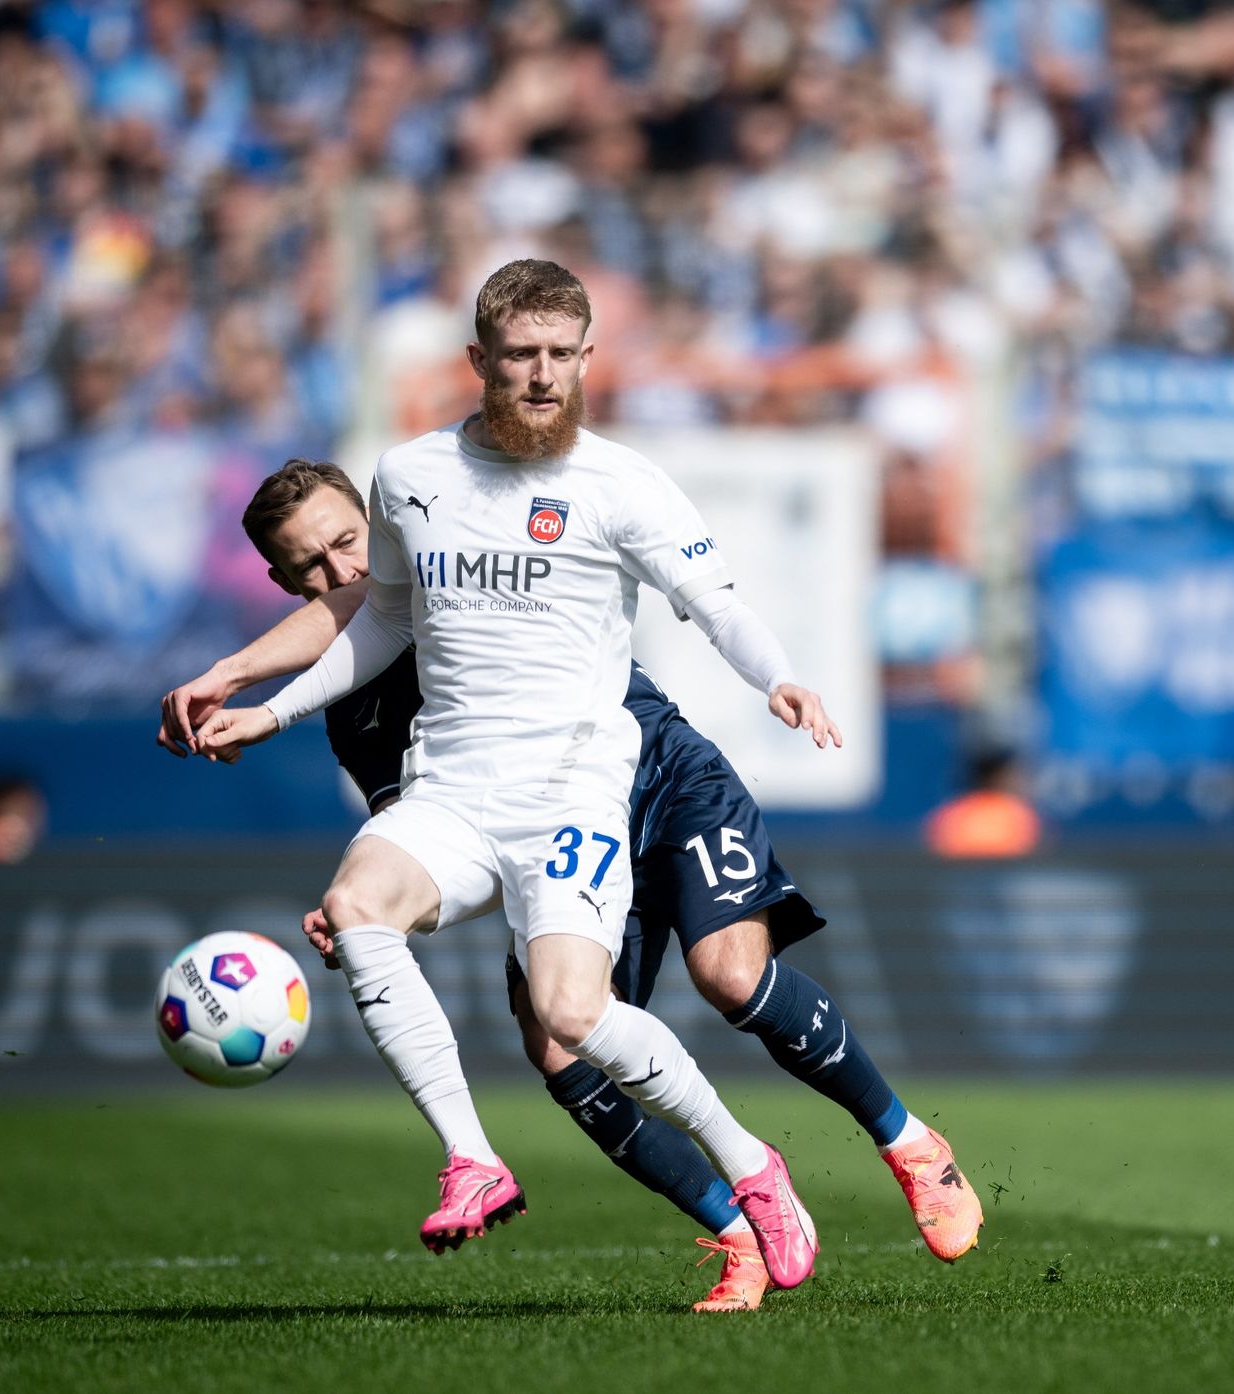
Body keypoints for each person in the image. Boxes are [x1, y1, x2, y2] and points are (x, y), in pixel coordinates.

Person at [161, 455, 984, 1309]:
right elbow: (427, 817)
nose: (342, 571)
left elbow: (364, 607)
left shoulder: (448, 566)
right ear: (279, 579)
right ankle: (735, 1231)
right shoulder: (354, 706)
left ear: (383, 524)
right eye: (311, 567)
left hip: (656, 779)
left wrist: (237, 678)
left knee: (730, 974)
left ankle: (910, 1143)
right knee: (561, 1048)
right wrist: (377, 889)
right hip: (550, 828)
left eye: (348, 541)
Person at [176, 262, 828, 1303]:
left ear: (582, 357)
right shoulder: (409, 476)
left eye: (556, 354)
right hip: (453, 784)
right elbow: (379, 615)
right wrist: (268, 708)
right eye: (517, 354)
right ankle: (472, 1158)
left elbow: (713, 598)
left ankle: (749, 1162)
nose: (537, 374)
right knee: (355, 907)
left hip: (572, 781)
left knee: (574, 1015)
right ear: (476, 361)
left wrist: (779, 677)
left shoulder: (617, 479)